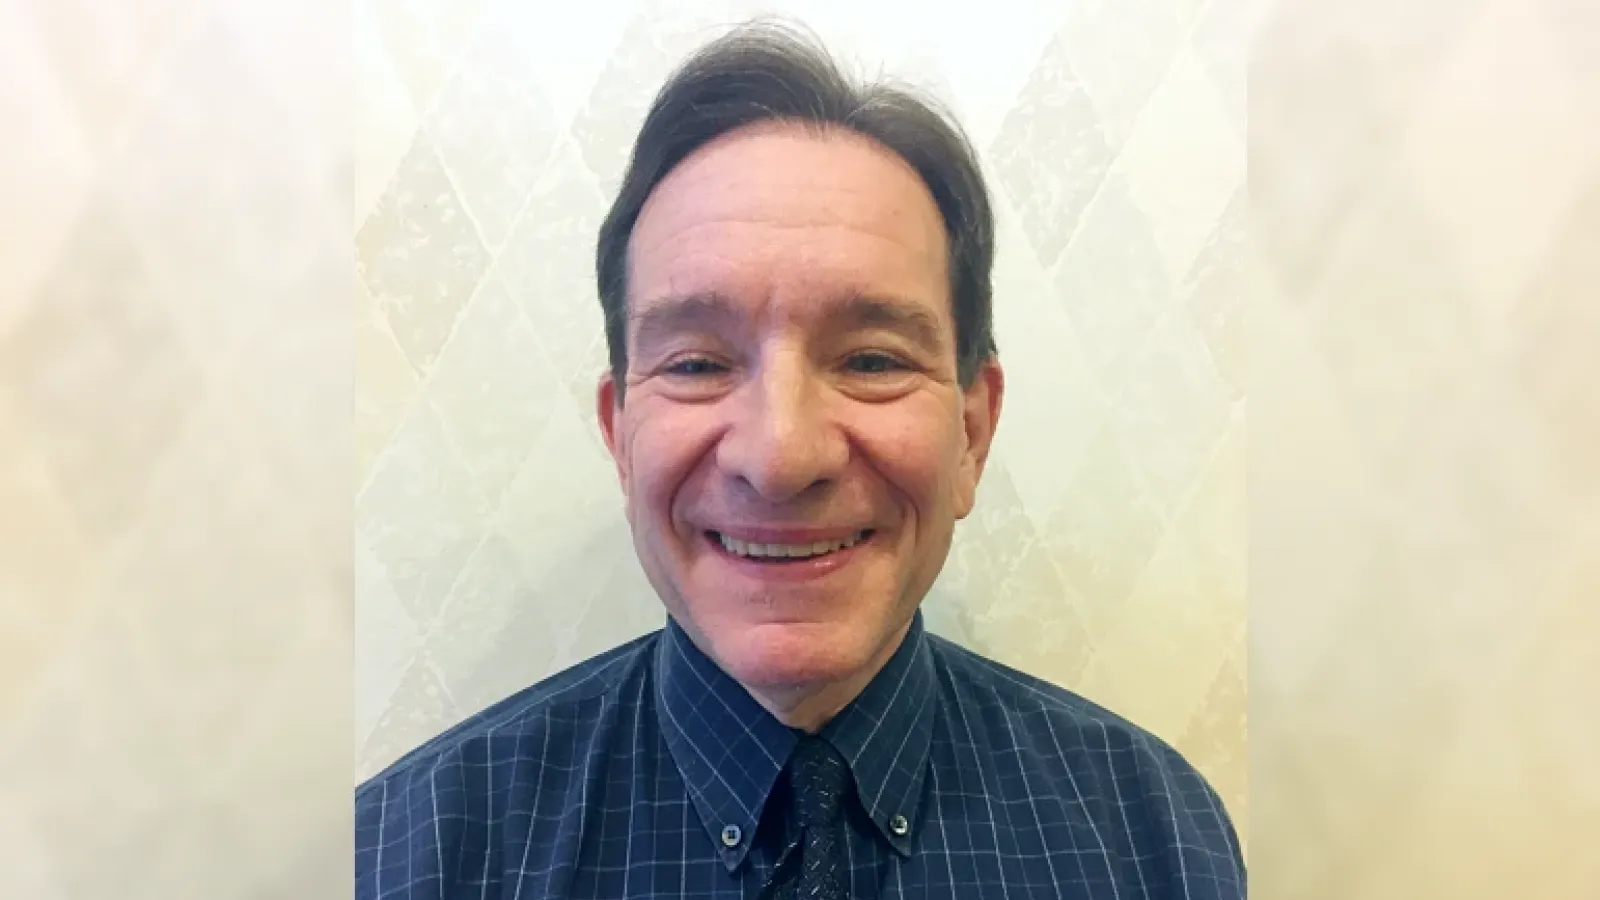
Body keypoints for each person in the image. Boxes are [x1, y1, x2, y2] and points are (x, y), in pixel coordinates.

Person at [356, 20, 1245, 900]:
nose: (780, 457)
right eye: (699, 363)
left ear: (972, 432)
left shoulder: (1157, 839)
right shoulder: (408, 854)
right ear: (620, 433)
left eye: (871, 361)